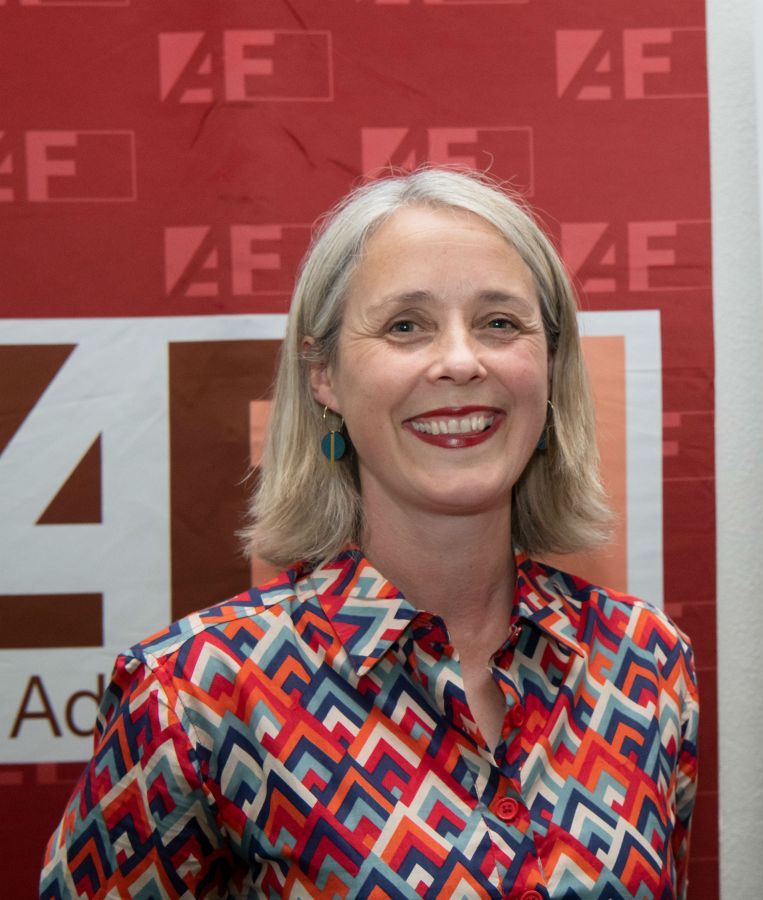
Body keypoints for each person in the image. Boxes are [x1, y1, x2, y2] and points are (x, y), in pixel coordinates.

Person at [40, 169, 699, 898]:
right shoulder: (195, 694)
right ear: (323, 374)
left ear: (550, 364)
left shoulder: (644, 662)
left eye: (500, 323)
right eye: (405, 326)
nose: (459, 361)